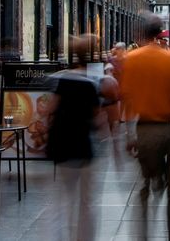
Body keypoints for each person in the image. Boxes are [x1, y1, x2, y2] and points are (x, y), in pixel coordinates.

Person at [122, 16, 170, 241]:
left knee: (144, 184)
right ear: (160, 33)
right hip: (169, 129)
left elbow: (128, 102)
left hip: (144, 131)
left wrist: (130, 136)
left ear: (141, 34)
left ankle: (142, 234)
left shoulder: (131, 59)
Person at [46, 35, 101, 239]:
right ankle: (83, 236)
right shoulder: (90, 83)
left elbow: (49, 109)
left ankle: (60, 234)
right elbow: (97, 117)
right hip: (82, 146)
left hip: (61, 143)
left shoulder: (61, 80)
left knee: (63, 195)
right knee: (86, 200)